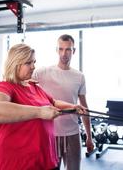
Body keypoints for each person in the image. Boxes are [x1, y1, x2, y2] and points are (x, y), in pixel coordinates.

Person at [0, 43, 87, 170]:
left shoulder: (33, 86)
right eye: (29, 63)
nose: (33, 67)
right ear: (15, 64)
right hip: (17, 164)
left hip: (45, 160)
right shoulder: (5, 86)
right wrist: (40, 112)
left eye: (34, 62)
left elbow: (53, 103)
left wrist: (73, 107)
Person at [32, 34, 94, 170]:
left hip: (72, 133)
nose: (64, 53)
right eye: (61, 49)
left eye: (68, 50)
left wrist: (89, 136)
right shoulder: (42, 73)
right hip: (49, 134)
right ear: (56, 50)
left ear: (74, 51)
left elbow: (84, 107)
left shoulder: (79, 76)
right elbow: (24, 87)